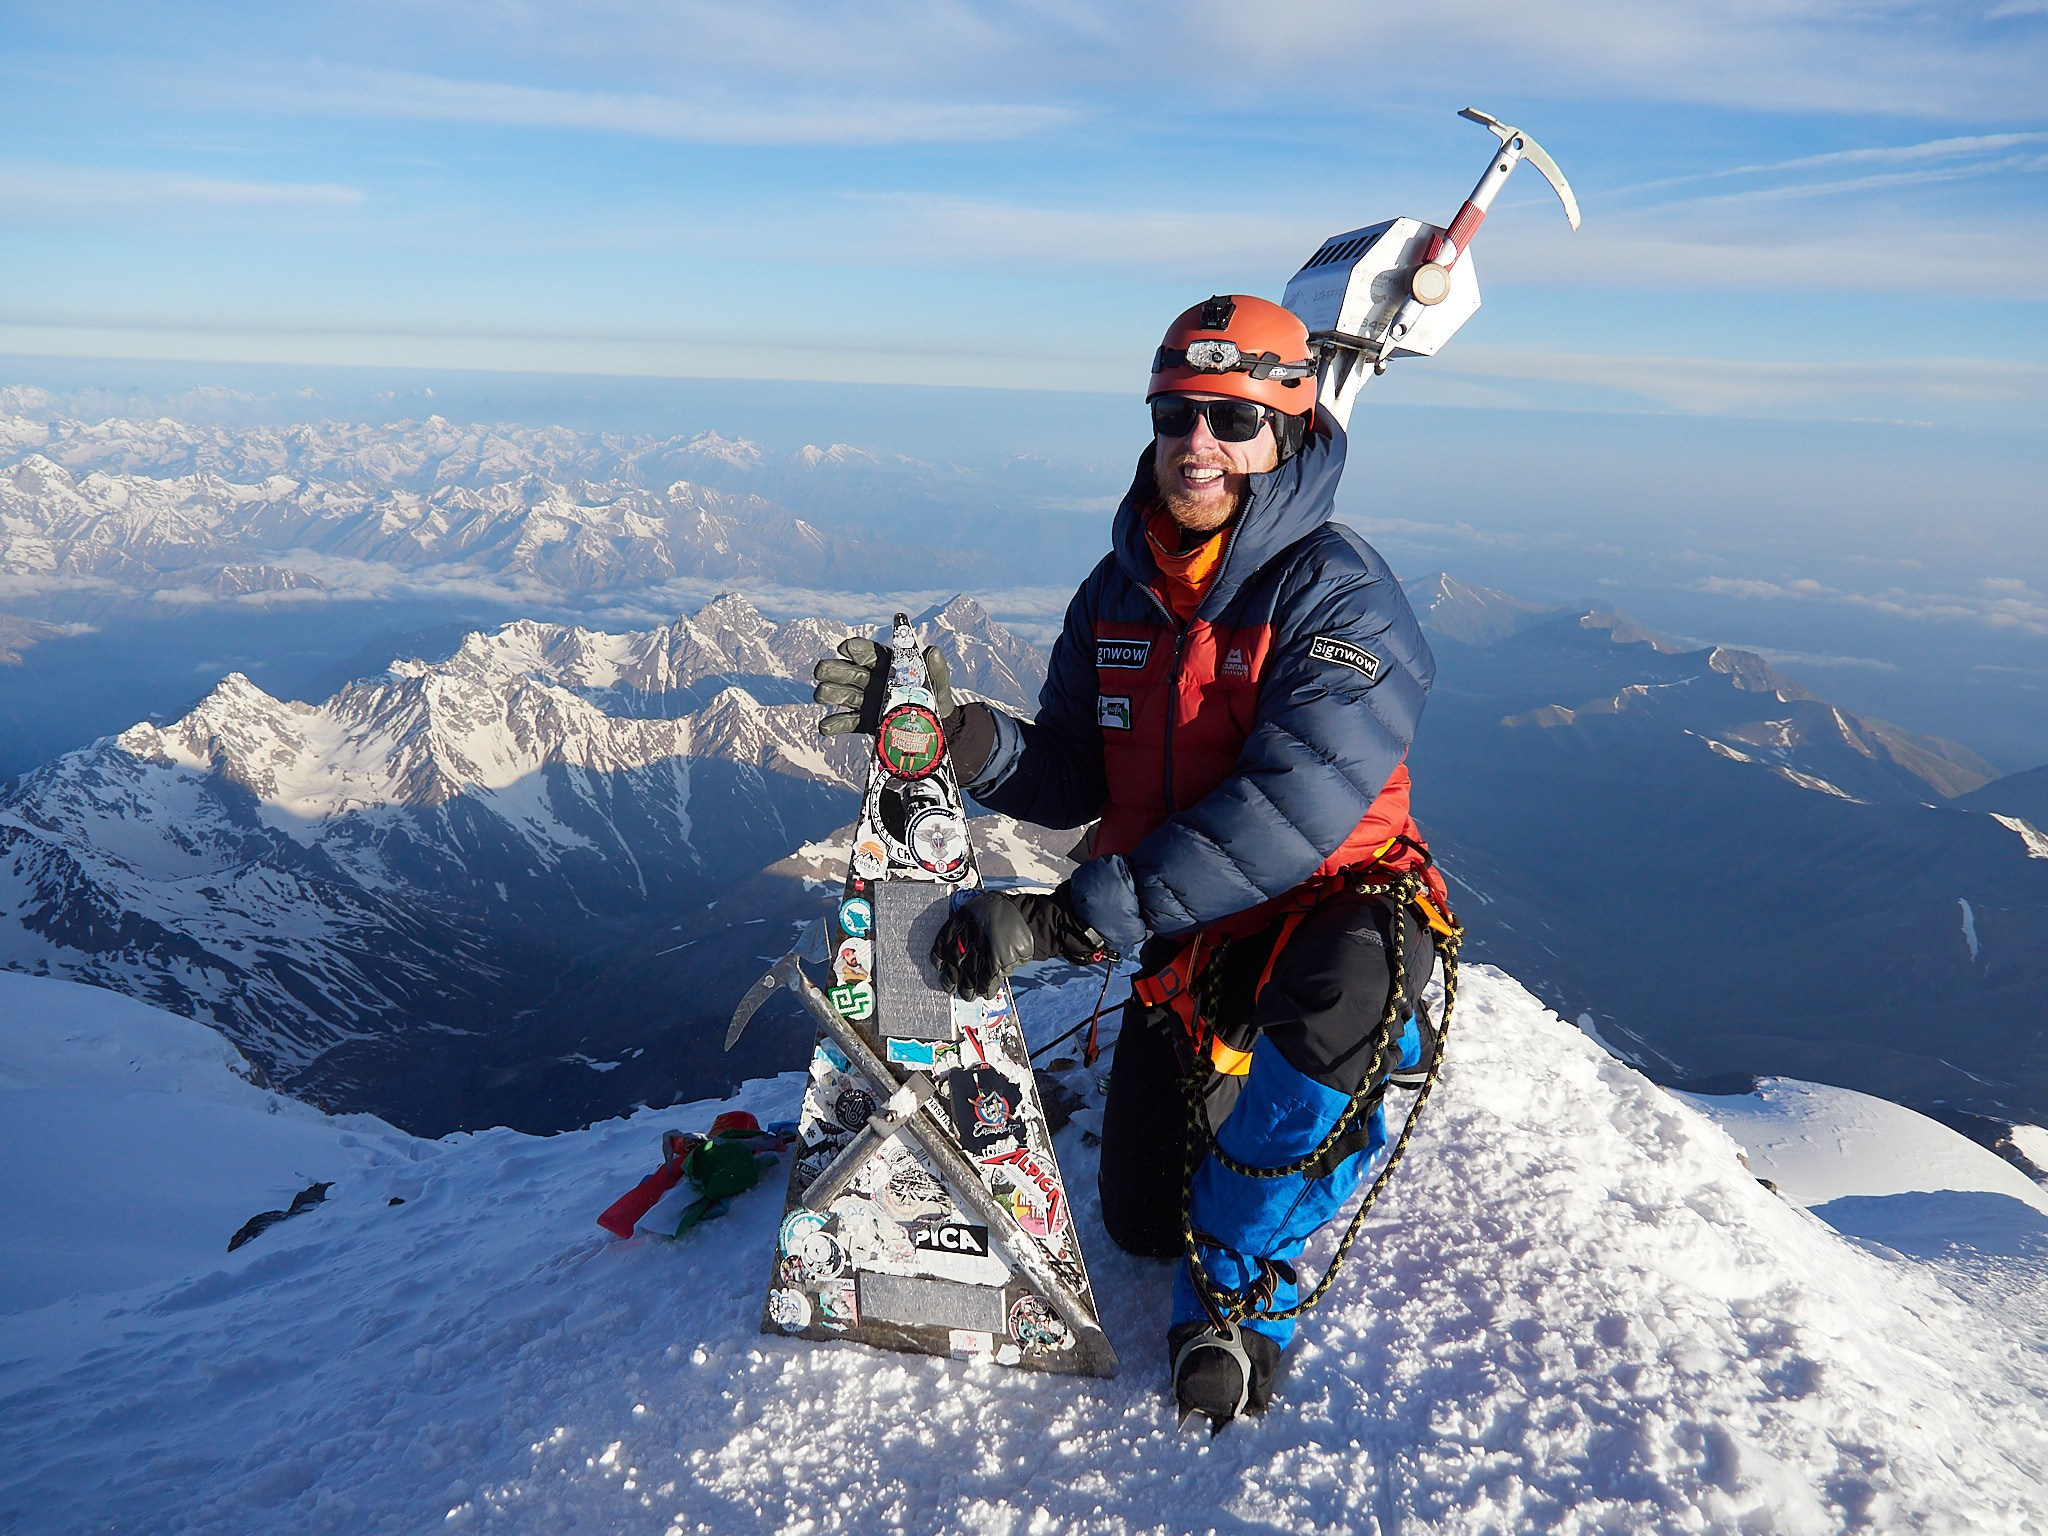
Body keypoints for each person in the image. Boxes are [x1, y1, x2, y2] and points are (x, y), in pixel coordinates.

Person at [812, 294, 1452, 1426]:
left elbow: (1290, 811)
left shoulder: (1338, 595)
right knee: (1140, 1220)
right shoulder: (1115, 594)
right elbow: (1071, 772)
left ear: (1289, 434)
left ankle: (1237, 1301)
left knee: (1347, 984)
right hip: (1188, 939)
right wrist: (953, 739)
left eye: (1228, 418)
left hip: (1328, 909)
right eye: (1174, 415)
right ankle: (1235, 1090)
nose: (1195, 442)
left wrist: (1066, 921)